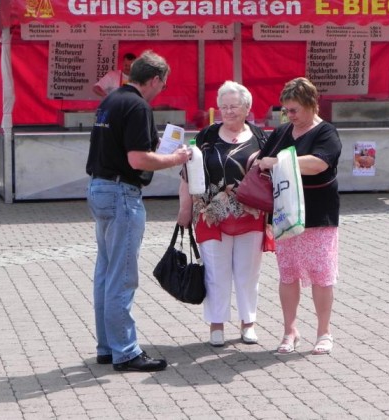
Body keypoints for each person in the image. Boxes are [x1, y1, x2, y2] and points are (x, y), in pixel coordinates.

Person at [86, 50, 191, 372]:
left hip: (100, 187)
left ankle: (109, 346)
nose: (161, 91)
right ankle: (126, 352)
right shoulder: (137, 106)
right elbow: (138, 160)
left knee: (106, 273)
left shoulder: (113, 99)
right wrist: (176, 158)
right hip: (121, 193)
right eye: (163, 85)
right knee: (122, 276)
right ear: (155, 79)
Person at [177, 81, 267, 347]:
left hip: (251, 215)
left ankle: (248, 323)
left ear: (247, 108)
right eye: (223, 106)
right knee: (215, 273)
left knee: (248, 272)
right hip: (210, 215)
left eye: (234, 106)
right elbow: (186, 174)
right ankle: (216, 325)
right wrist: (184, 208)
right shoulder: (206, 136)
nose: (227, 112)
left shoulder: (262, 137)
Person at [258, 77, 342, 355]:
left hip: (318, 215)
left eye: (294, 110)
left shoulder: (326, 132)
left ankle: (324, 332)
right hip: (284, 215)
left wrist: (280, 161)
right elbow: (262, 159)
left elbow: (319, 163)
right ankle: (289, 331)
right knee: (288, 274)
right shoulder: (283, 132)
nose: (290, 116)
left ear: (312, 104)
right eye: (286, 111)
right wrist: (259, 161)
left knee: (321, 274)